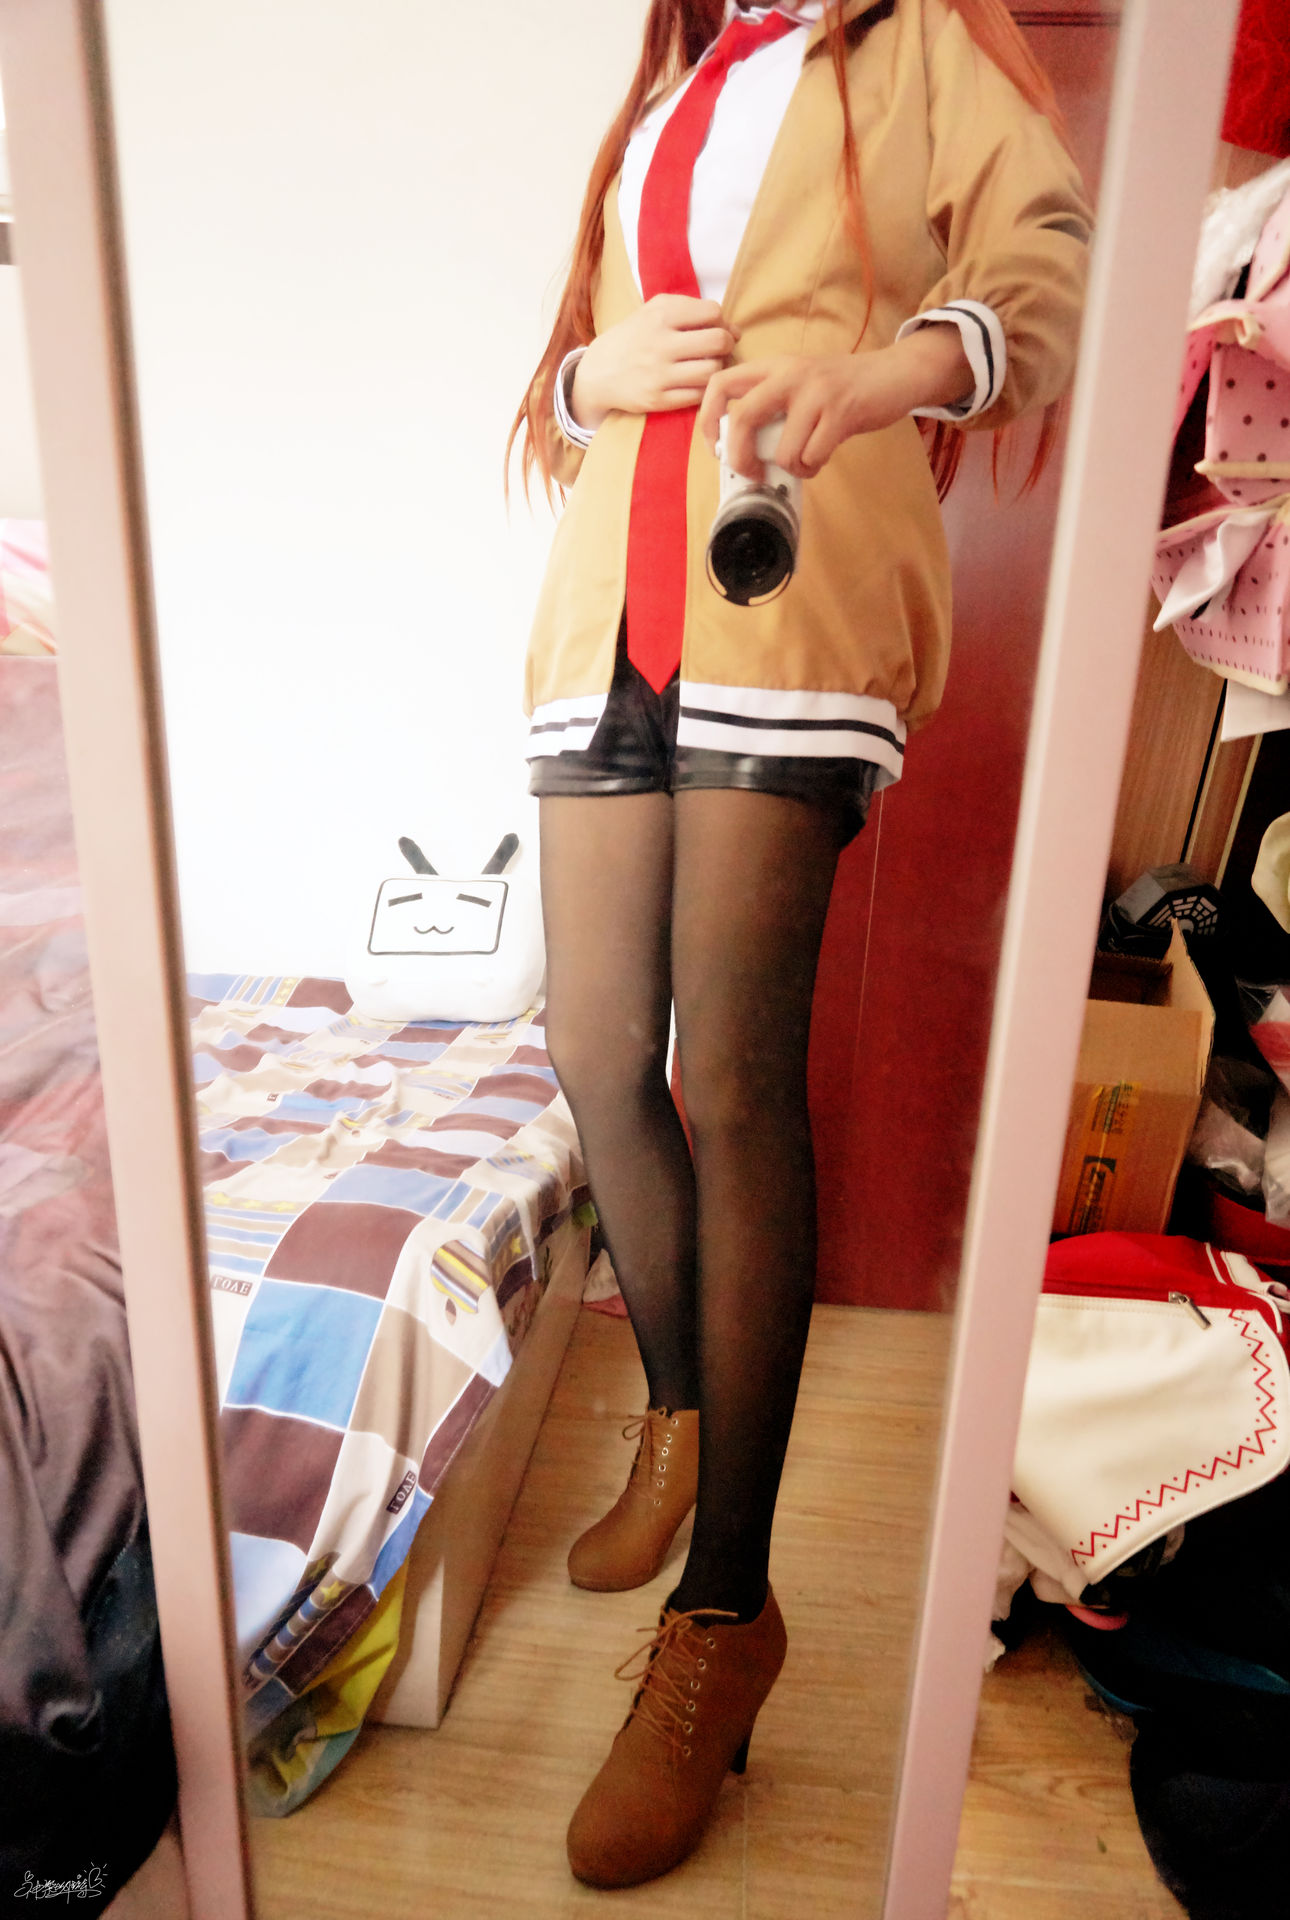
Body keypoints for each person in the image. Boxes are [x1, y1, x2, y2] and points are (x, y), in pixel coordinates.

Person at [507, 0, 1091, 1888]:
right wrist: (591, 378)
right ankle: (677, 1419)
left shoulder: (913, 45)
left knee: (733, 1076)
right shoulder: (674, 77)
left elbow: (1044, 268)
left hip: (785, 582)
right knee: (598, 1050)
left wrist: (888, 369)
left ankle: (725, 1612)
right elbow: (583, 361)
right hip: (607, 603)